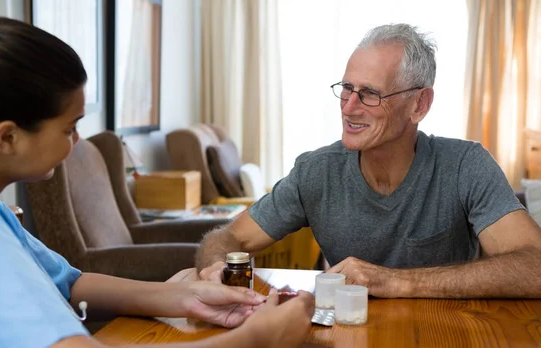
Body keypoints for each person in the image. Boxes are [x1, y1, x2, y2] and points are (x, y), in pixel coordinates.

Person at [0, 5, 315, 348]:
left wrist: (187, 298)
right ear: (7, 138)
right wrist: (260, 341)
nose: (77, 141)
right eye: (69, 127)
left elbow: (71, 283)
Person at [196, 23, 541, 299]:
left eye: (370, 94)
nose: (348, 107)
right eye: (346, 88)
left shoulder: (466, 166)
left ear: (418, 105)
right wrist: (214, 267)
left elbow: (535, 266)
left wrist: (397, 283)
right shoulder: (316, 172)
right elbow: (227, 239)